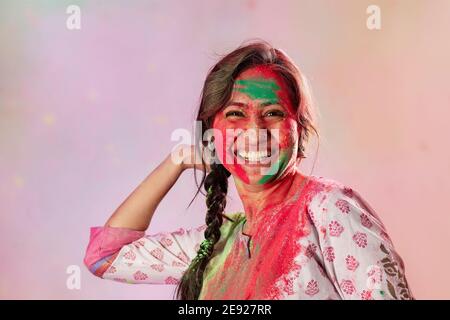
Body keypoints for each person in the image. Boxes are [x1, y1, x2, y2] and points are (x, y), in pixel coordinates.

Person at [83, 40, 413, 300]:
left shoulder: (329, 209)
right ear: (209, 133)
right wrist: (179, 160)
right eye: (236, 115)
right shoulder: (217, 244)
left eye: (272, 114)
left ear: (300, 131)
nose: (255, 133)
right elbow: (103, 256)